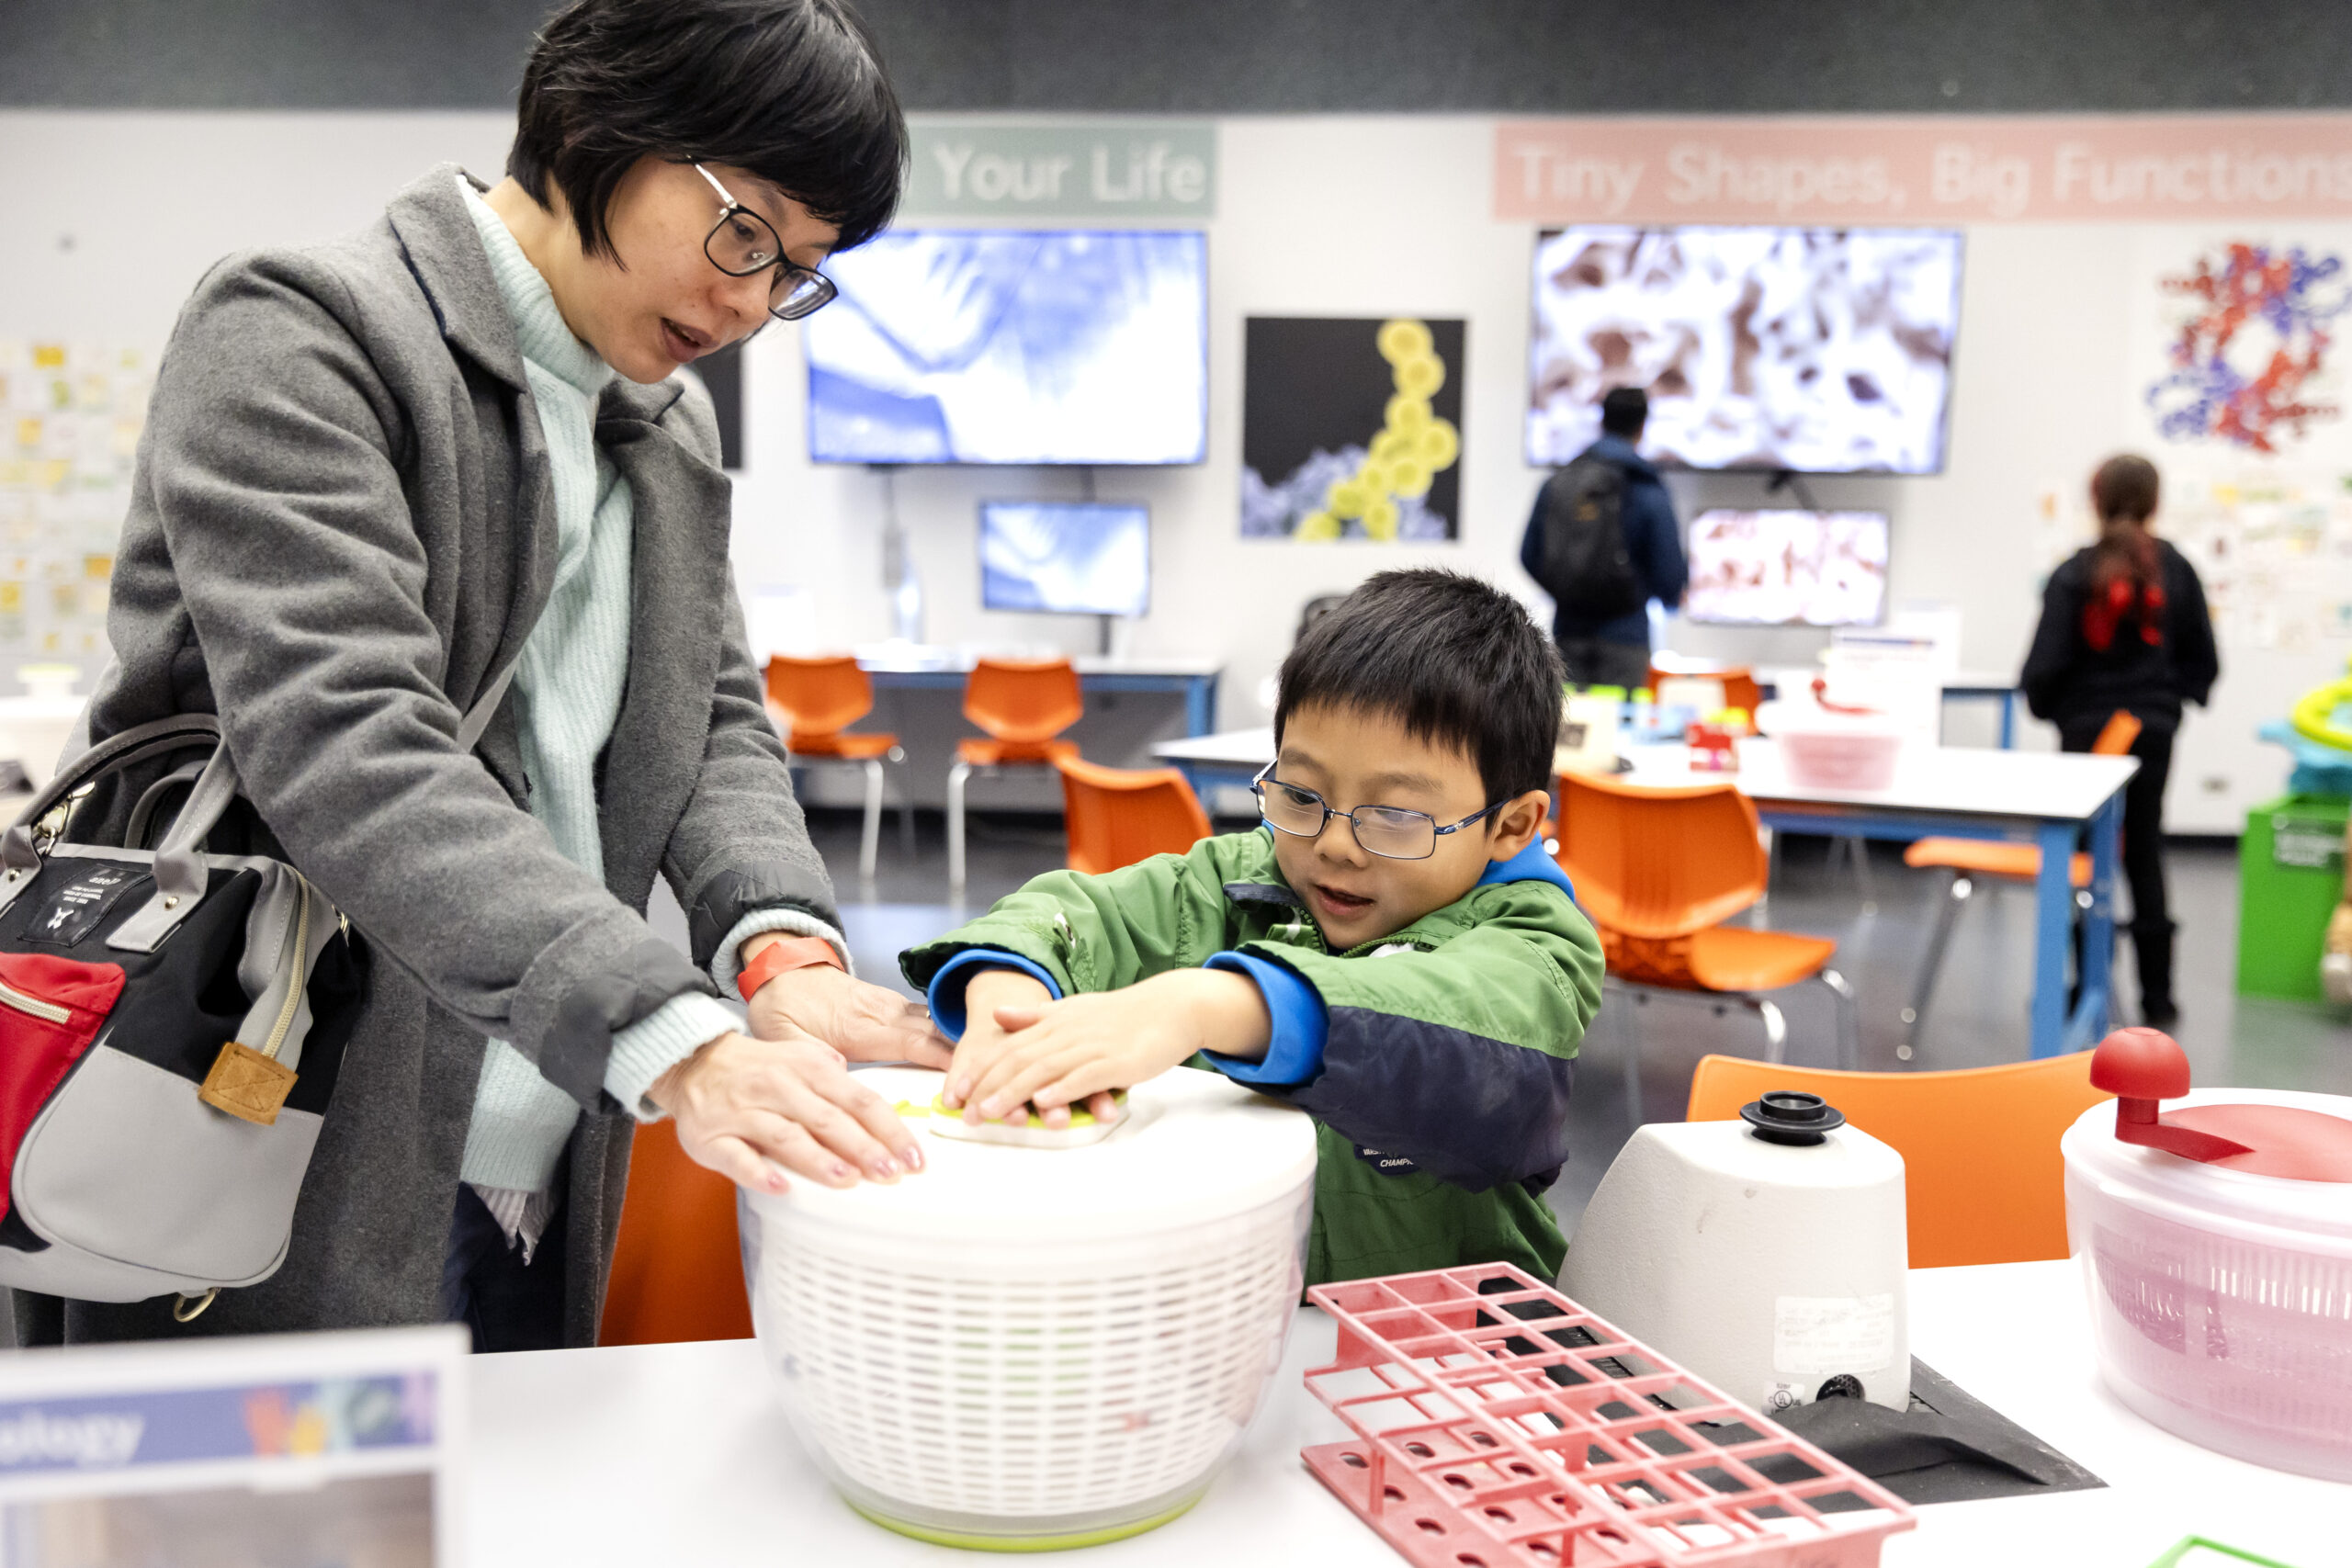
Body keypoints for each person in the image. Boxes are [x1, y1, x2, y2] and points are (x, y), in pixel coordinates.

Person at [22, 0, 949, 1351]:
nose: (752, 302)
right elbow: (348, 744)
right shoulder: (304, 331)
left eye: (795, 271)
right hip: (282, 1111)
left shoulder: (661, 419)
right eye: (744, 234)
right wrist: (675, 1034)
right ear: (598, 126)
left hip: (556, 1115)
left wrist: (777, 942)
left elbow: (713, 721)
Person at [900, 570, 1604, 1285]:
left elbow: (1465, 1032)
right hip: (1242, 1327)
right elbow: (1083, 913)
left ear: (1510, 825)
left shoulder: (1538, 945)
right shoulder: (1235, 880)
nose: (1334, 844)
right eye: (1301, 795)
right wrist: (1007, 983)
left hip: (1457, 1343)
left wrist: (1210, 1004)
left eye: (1395, 815)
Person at [2021, 454, 2219, 1027]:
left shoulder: (2072, 574)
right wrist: (2165, 700)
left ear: (2095, 498)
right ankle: (2159, 1002)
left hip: (2086, 739)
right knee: (2144, 850)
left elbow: (2040, 672)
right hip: (2153, 734)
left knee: (2085, 856)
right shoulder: (2178, 569)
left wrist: (2065, 712)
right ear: (2156, 502)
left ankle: (2086, 991)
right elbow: (2203, 664)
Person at [1520, 386, 1688, 691]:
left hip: (1567, 633)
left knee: (1569, 731)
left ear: (1602, 421)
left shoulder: (1560, 483)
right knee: (1621, 731)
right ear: (1642, 426)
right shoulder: (1647, 488)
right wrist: (1664, 598)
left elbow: (1529, 555)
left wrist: (1566, 592)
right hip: (1627, 637)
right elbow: (1669, 569)